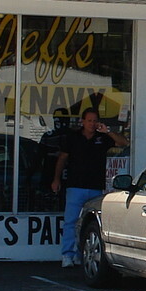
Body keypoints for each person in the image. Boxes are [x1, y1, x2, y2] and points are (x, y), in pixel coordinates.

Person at [52, 107, 116, 268]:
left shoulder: (102, 138)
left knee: (90, 223)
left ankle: (83, 254)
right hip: (75, 186)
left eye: (95, 121)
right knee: (71, 221)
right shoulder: (73, 138)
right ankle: (67, 255)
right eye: (89, 121)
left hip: (95, 188)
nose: (92, 124)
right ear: (82, 121)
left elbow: (123, 143)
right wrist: (56, 179)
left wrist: (107, 131)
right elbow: (62, 158)